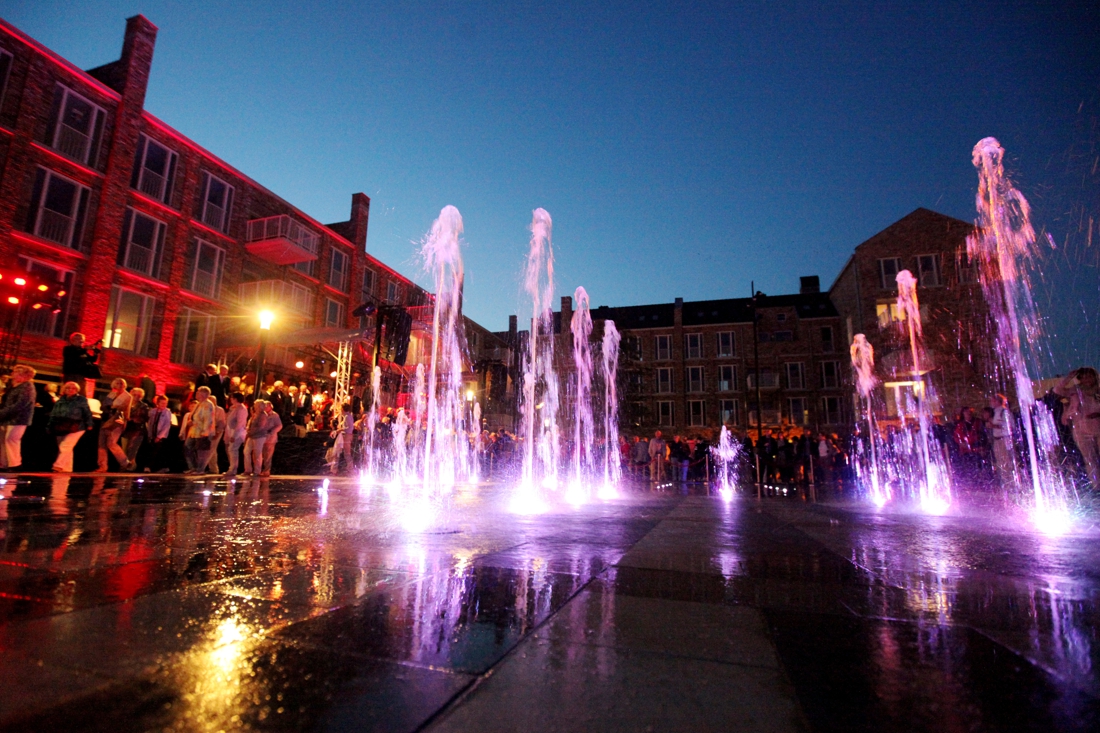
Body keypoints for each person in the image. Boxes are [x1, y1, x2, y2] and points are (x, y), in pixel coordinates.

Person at [1056, 368, 1100, 488]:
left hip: (1097, 423)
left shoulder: (1098, 389)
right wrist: (1069, 377)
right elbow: (1057, 390)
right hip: (1081, 426)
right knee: (1089, 458)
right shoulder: (1075, 390)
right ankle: (1096, 485)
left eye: (1089, 376)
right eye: (1084, 377)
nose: (1087, 379)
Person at [48, 381, 94, 472]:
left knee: (66, 446)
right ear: (64, 389)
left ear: (77, 390)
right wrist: (50, 425)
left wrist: (89, 423)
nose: (70, 390)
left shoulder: (81, 399)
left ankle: (58, 466)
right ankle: (66, 469)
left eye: (73, 388)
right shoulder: (61, 400)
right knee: (65, 447)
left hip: (77, 426)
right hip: (61, 426)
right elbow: (54, 413)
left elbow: (87, 412)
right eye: (68, 388)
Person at [0, 365, 37, 470]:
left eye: (15, 372)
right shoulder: (16, 386)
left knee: (11, 440)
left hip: (19, 419)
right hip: (9, 418)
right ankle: (5, 464)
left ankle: (14, 465)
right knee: (5, 441)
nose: (12, 374)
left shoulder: (27, 386)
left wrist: (2, 413)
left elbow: (21, 404)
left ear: (23, 375)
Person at [98, 378, 133, 472]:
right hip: (106, 420)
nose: (120, 385)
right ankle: (102, 466)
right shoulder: (111, 393)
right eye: (117, 383)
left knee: (111, 443)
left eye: (122, 383)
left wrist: (125, 421)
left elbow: (126, 410)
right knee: (101, 444)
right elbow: (103, 405)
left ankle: (125, 463)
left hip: (117, 421)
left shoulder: (127, 396)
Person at [185, 386, 216, 473]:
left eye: (199, 392)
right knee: (187, 447)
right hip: (194, 430)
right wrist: (191, 421)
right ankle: (193, 467)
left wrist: (205, 432)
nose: (197, 394)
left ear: (204, 394)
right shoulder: (199, 403)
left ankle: (199, 469)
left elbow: (208, 419)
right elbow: (195, 416)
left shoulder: (208, 404)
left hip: (201, 431)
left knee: (201, 451)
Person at [988, 394, 1016, 487]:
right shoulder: (996, 412)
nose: (990, 403)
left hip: (1004, 439)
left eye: (992, 400)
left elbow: (1009, 427)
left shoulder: (1004, 412)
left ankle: (1010, 482)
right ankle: (1005, 482)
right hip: (997, 440)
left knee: (1006, 461)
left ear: (997, 401)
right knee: (1000, 462)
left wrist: (994, 426)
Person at [144, 394, 173, 473]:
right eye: (162, 403)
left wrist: (159, 436)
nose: (164, 405)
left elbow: (166, 425)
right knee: (151, 450)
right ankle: (153, 466)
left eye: (165, 403)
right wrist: (150, 434)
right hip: (153, 433)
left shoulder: (167, 412)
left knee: (157, 451)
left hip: (161, 435)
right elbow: (150, 423)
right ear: (158, 403)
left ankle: (150, 466)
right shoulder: (153, 411)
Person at [122, 387, 149, 467]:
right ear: (131, 394)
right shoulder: (126, 403)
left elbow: (144, 418)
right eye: (135, 395)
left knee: (132, 450)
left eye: (139, 396)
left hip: (137, 430)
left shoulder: (143, 406)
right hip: (126, 429)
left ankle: (130, 468)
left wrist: (131, 419)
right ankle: (125, 466)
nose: (136, 397)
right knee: (124, 450)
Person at [224, 392, 248, 477]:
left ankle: (233, 469)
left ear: (235, 399)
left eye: (232, 398)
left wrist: (234, 435)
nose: (230, 400)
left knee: (233, 449)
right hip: (232, 431)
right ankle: (232, 468)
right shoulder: (234, 408)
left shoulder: (241, 409)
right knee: (231, 450)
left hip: (238, 433)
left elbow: (240, 423)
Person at [243, 400, 269, 477]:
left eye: (256, 405)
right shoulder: (255, 414)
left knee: (257, 453)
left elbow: (260, 427)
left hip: (259, 436)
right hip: (251, 436)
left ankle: (257, 471)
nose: (254, 406)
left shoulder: (263, 415)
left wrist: (250, 432)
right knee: (246, 451)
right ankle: (248, 469)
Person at [260, 399, 283, 476]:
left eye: (266, 406)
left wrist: (271, 431)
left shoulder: (275, 415)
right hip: (262, 438)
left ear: (270, 406)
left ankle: (266, 470)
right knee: (261, 455)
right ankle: (260, 470)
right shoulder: (262, 414)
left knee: (268, 456)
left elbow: (279, 425)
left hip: (270, 439)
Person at [329, 403, 354, 474]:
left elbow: (349, 428)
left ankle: (350, 468)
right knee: (342, 453)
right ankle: (337, 469)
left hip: (346, 436)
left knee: (345, 453)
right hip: (345, 436)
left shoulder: (347, 417)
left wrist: (340, 430)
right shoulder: (347, 416)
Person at [205, 398, 227, 473]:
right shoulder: (208, 408)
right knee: (212, 450)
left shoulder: (219, 410)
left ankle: (202, 466)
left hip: (216, 431)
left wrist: (217, 432)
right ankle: (214, 469)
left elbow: (221, 422)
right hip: (209, 431)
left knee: (211, 449)